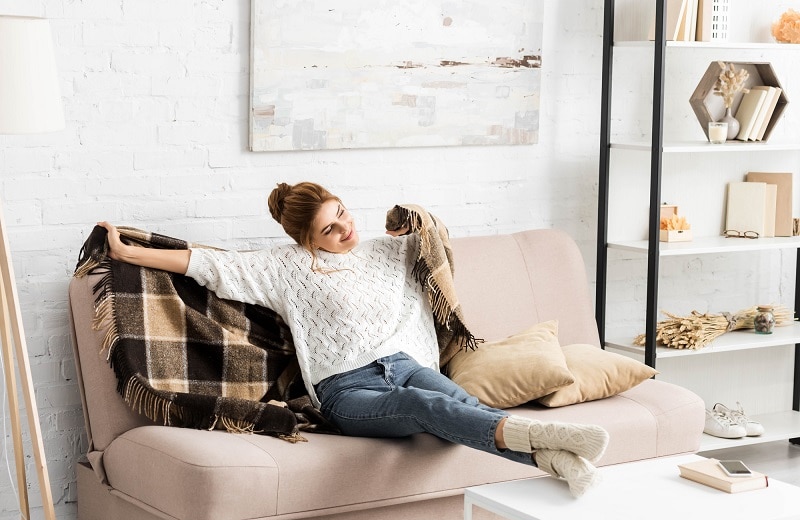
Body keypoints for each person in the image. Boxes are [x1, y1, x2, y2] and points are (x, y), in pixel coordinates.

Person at [97, 181, 609, 497]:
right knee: (423, 405)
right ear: (307, 240)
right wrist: (128, 253)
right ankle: (549, 446)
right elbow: (204, 265)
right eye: (329, 228)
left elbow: (433, 239)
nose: (346, 228)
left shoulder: (387, 252)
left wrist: (414, 216)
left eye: (342, 212)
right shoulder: (282, 269)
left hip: (407, 363)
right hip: (348, 390)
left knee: (459, 405)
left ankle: (556, 458)